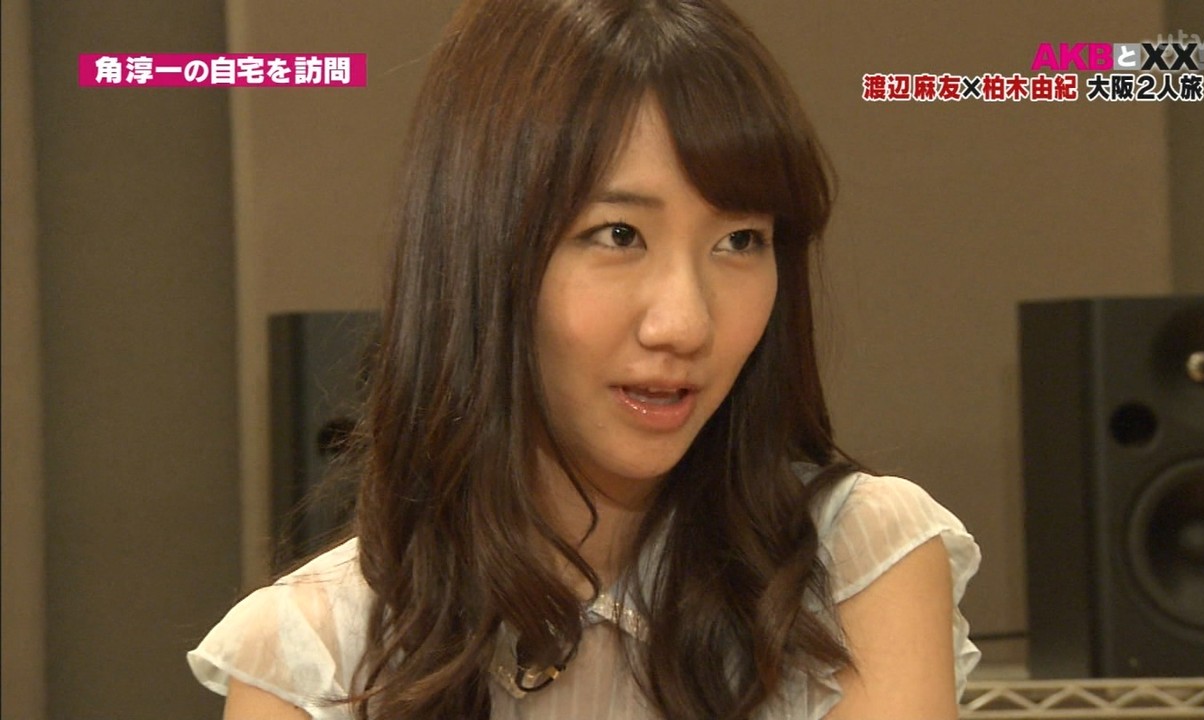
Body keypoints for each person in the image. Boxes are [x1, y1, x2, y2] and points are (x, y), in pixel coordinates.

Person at [188, 0, 981, 718]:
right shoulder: (314, 657)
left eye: (740, 240)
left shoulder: (859, 565)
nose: (685, 324)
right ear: (482, 252)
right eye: (619, 235)